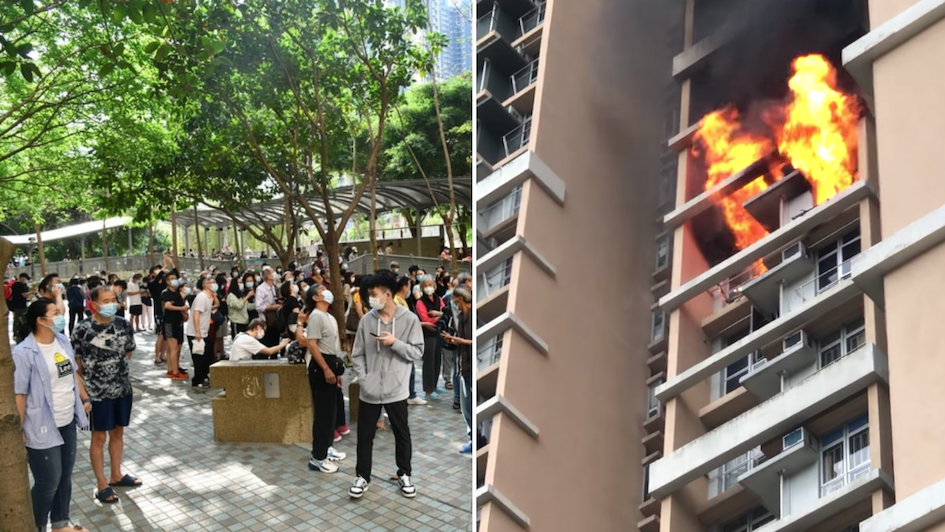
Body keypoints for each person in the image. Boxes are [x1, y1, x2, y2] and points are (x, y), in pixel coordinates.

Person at [14, 298, 91, 532]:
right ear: (41, 320)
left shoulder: (62, 340)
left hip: (67, 420)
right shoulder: (23, 352)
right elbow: (20, 394)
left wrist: (84, 398)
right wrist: (19, 431)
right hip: (41, 426)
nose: (61, 316)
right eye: (55, 313)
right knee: (49, 481)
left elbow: (73, 374)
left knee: (65, 477)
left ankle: (60, 523)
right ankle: (36, 526)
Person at [347, 270, 424, 500]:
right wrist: (364, 379)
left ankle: (405, 474)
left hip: (397, 389)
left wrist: (394, 342)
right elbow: (357, 354)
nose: (370, 299)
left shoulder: (409, 319)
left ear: (388, 295)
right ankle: (362, 476)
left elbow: (417, 352)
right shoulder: (367, 320)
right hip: (370, 391)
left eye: (374, 294)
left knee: (402, 433)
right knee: (365, 436)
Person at [71, 286, 140, 505]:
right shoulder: (82, 329)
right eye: (106, 300)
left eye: (113, 299)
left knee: (118, 432)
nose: (111, 304)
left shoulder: (123, 324)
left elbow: (128, 351)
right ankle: (102, 484)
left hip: (122, 389)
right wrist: (84, 395)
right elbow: (77, 366)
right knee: (99, 437)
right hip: (96, 394)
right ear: (94, 304)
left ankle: (116, 475)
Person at [297, 285, 347, 473]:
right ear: (316, 297)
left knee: (331, 412)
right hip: (320, 367)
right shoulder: (316, 316)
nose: (326, 291)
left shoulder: (328, 316)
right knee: (323, 414)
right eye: (321, 290)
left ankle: (326, 448)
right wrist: (325, 369)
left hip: (330, 363)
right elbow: (312, 344)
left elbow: (333, 346)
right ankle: (318, 457)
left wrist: (336, 372)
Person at [441, 287, 473, 454]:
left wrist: (459, 340)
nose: (454, 304)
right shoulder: (461, 317)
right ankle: (472, 438)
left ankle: (475, 439)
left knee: (469, 406)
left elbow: (474, 340)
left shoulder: (473, 316)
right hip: (463, 366)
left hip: (471, 367)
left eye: (454, 300)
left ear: (460, 299)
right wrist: (451, 340)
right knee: (466, 407)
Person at [394, 275, 425, 406]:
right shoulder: (397, 301)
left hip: (406, 339)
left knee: (409, 368)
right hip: (402, 340)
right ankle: (409, 394)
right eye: (409, 286)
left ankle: (409, 393)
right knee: (407, 368)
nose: (410, 289)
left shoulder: (402, 301)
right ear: (404, 287)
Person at [414, 275, 445, 399]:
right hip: (427, 335)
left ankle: (435, 385)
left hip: (439, 333)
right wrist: (440, 316)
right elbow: (426, 319)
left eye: (430, 285)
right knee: (429, 361)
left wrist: (438, 314)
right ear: (422, 287)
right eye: (426, 285)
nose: (428, 288)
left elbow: (445, 311)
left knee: (437, 360)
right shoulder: (420, 302)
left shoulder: (438, 299)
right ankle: (428, 389)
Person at [185, 277, 216, 389]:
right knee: (198, 358)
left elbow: (215, 306)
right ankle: (198, 380)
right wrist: (197, 331)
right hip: (196, 333)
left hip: (204, 332)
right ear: (206, 285)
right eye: (212, 282)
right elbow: (196, 313)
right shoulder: (202, 297)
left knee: (207, 355)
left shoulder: (209, 297)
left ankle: (204, 376)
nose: (214, 284)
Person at [161, 270, 189, 380]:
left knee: (177, 346)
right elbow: (167, 306)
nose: (174, 280)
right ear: (167, 282)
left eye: (175, 278)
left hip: (178, 322)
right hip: (169, 323)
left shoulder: (177, 294)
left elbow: (181, 306)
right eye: (171, 279)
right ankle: (174, 372)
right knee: (173, 348)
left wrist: (184, 314)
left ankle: (173, 368)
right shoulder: (166, 293)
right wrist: (181, 308)